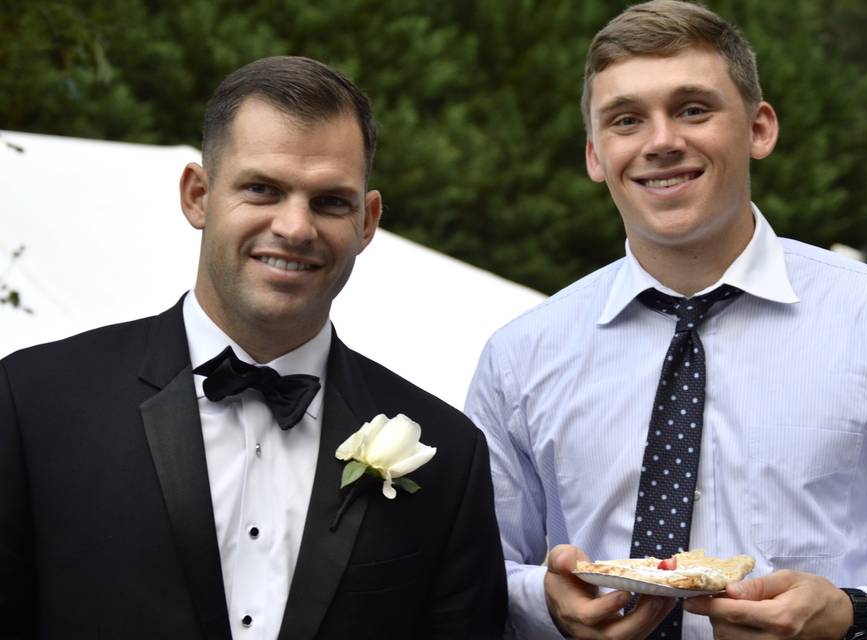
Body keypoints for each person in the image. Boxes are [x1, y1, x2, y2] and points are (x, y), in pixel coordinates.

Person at [465, 2, 867, 639]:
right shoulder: (520, 355)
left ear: (759, 128)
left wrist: (856, 614)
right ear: (595, 155)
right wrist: (543, 599)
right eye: (626, 120)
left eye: (693, 109)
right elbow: (470, 567)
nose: (662, 141)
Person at [0, 56, 506, 639]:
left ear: (367, 222)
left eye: (329, 202)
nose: (295, 227)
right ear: (197, 195)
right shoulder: (35, 402)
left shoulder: (449, 454)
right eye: (262, 189)